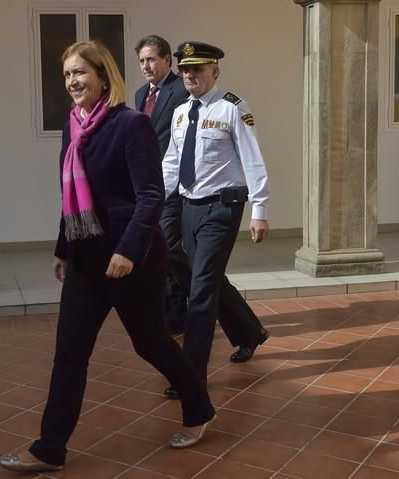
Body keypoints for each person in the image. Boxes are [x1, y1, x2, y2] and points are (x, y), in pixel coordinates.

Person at [0, 41, 215, 473]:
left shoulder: (130, 124)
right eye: (66, 75)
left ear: (102, 75)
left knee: (150, 343)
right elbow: (72, 196)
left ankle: (199, 407)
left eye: (79, 73)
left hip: (130, 259)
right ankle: (49, 449)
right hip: (86, 258)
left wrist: (128, 250)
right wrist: (64, 248)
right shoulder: (72, 126)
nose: (72, 82)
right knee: (69, 353)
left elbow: (151, 195)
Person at [161, 41, 271, 398]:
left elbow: (252, 160)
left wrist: (260, 211)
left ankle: (191, 375)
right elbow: (172, 165)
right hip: (189, 207)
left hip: (222, 208)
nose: (190, 75)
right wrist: (149, 203)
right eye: (185, 69)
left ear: (215, 71)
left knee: (201, 289)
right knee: (204, 278)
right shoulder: (180, 113)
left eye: (198, 69)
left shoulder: (232, 109)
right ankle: (250, 332)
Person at [135, 34, 190, 334]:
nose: (146, 65)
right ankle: (175, 308)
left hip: (174, 186)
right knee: (160, 250)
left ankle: (176, 315)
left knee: (169, 248)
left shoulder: (181, 89)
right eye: (142, 60)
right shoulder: (141, 94)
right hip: (148, 187)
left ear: (168, 60)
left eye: (152, 59)